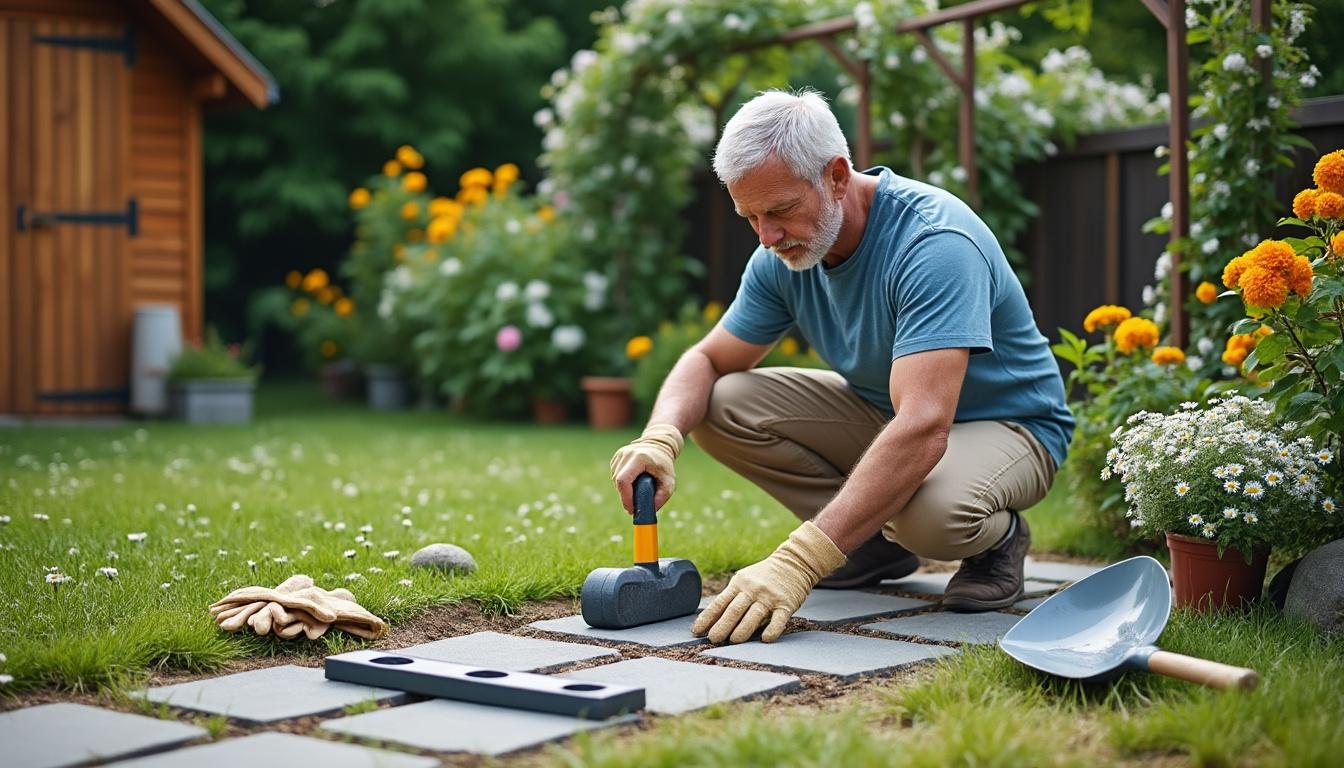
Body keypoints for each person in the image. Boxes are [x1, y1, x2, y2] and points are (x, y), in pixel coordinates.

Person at [609, 89, 1074, 645]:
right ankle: (868, 544)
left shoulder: (933, 242)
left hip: (1012, 426)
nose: (765, 236)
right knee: (721, 401)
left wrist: (798, 561)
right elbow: (706, 359)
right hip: (893, 416)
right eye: (749, 216)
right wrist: (660, 438)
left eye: (779, 210)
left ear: (834, 175)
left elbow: (925, 425)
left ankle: (996, 540)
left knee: (930, 517)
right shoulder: (782, 255)